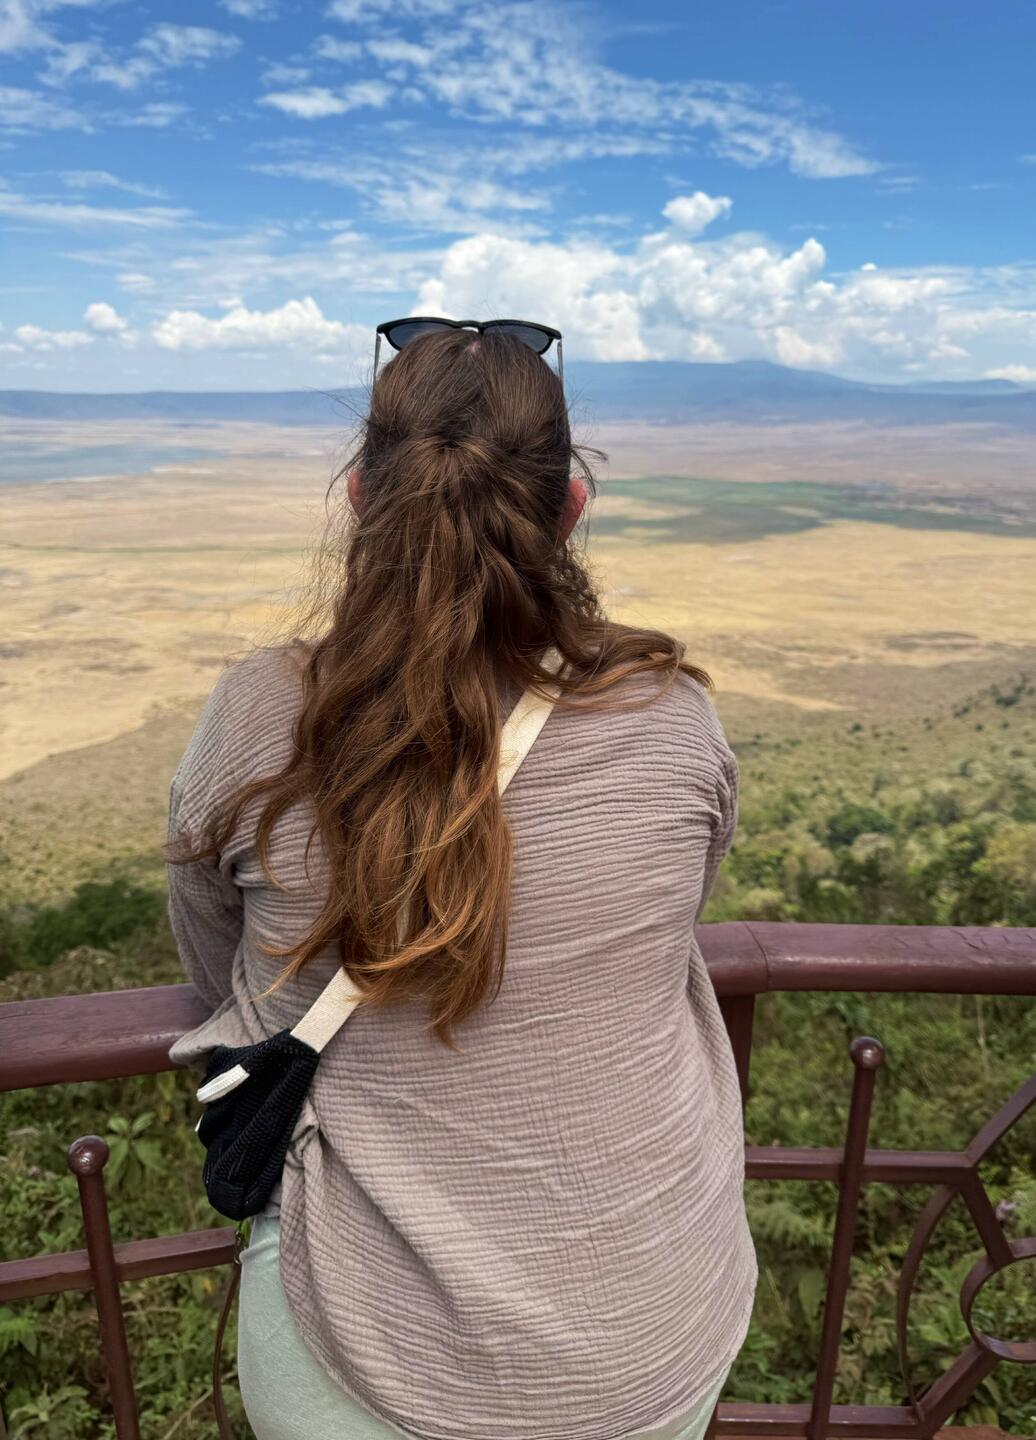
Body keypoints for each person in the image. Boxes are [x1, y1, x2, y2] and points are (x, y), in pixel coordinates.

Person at [165, 321, 757, 1440]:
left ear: (357, 497)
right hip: (647, 1334)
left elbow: (214, 959)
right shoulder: (671, 718)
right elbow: (679, 909)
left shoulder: (260, 716)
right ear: (570, 506)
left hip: (361, 1349)